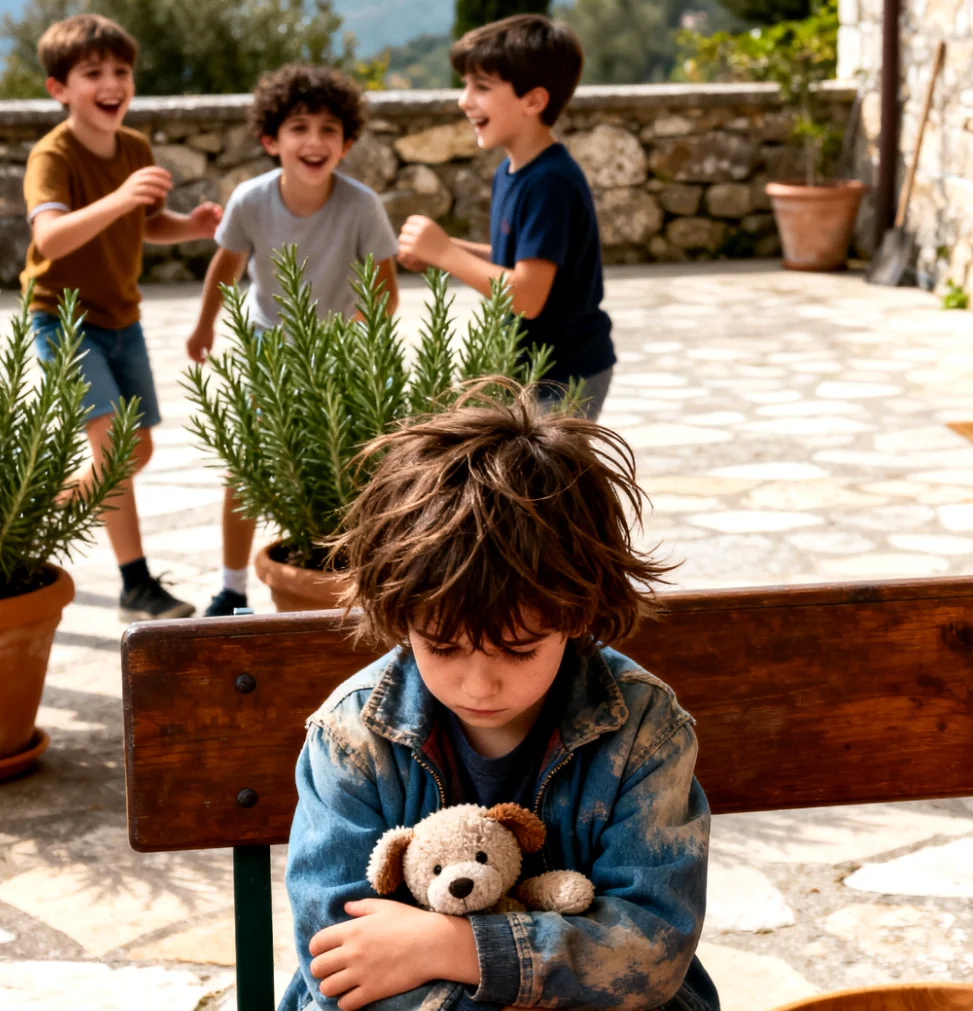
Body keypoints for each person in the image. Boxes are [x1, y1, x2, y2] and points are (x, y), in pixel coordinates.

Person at [283, 382, 715, 1011]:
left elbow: (648, 952)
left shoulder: (643, 729)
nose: (478, 684)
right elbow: (339, 964)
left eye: (517, 650)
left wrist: (450, 947)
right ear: (400, 618)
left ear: (576, 615)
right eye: (442, 646)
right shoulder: (352, 740)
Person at [20, 13, 222, 622]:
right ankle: (136, 584)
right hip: (64, 317)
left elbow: (141, 222)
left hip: (123, 320)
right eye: (92, 73)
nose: (111, 82)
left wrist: (187, 226)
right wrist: (121, 196)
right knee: (112, 456)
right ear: (59, 88)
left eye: (121, 71)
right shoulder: (51, 155)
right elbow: (51, 238)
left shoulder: (134, 147)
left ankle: (31, 506)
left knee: (137, 452)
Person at [188, 63, 401, 618]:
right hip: (268, 348)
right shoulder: (251, 200)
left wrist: (356, 342)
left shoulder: (360, 205)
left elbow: (385, 291)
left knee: (347, 460)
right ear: (270, 140)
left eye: (329, 129)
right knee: (251, 465)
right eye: (299, 127)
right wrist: (205, 324)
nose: (314, 141)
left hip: (339, 350)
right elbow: (225, 265)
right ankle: (232, 588)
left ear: (347, 143)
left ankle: (355, 574)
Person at [395, 15, 615, 421]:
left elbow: (528, 296)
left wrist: (445, 253)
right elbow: (519, 258)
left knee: (544, 486)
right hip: (531, 372)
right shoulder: (513, 170)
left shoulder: (551, 182)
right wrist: (448, 247)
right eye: (466, 85)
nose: (464, 99)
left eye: (481, 87)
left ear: (533, 101)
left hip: (565, 375)